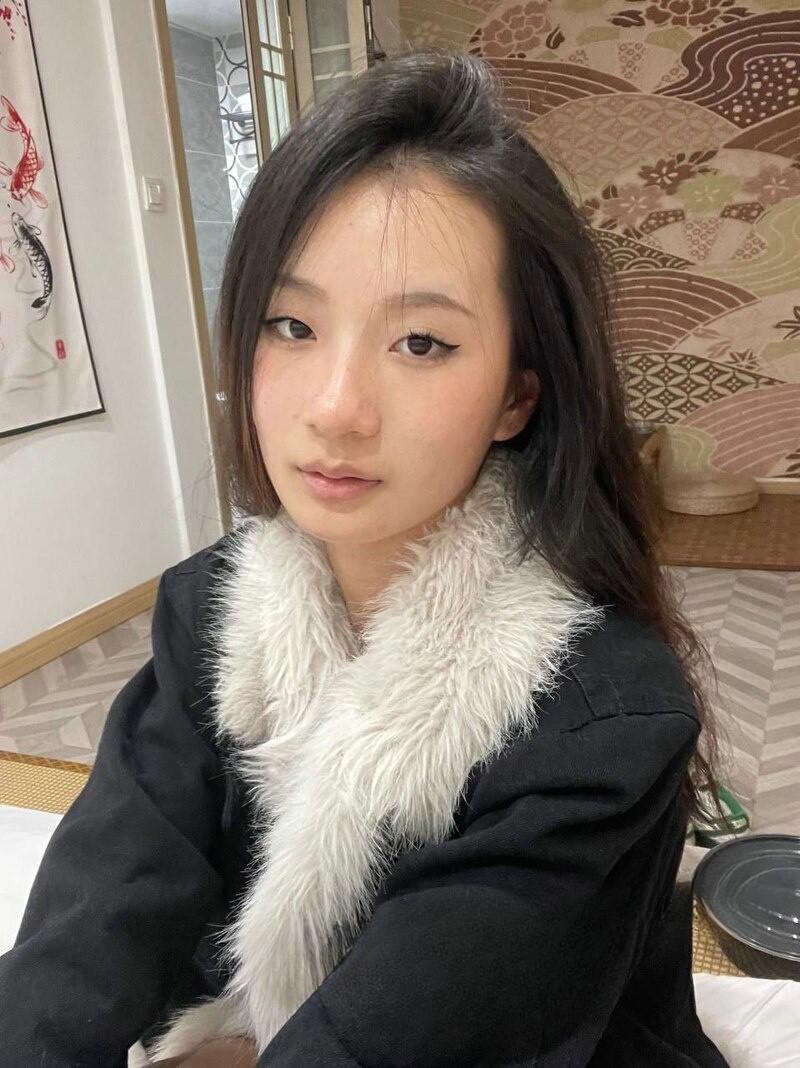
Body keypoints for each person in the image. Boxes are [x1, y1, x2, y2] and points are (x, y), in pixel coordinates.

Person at [0, 49, 730, 1067]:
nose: (335, 408)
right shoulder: (211, 614)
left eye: (421, 343)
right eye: (291, 325)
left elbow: (412, 1033)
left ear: (516, 395)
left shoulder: (600, 716)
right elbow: (103, 904)